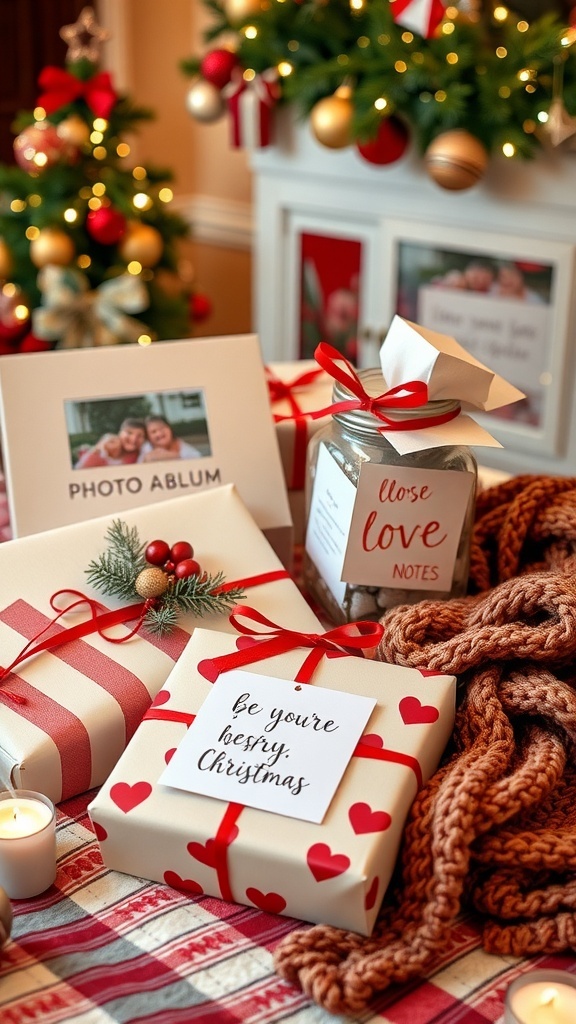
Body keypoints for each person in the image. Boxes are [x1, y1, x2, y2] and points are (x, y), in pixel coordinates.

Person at [75, 418, 146, 468]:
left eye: (140, 436)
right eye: (129, 433)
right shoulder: (101, 451)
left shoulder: (139, 453)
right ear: (119, 433)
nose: (134, 439)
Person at [138, 415, 202, 462]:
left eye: (162, 428)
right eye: (153, 432)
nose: (159, 433)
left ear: (170, 429)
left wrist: (174, 456)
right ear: (148, 437)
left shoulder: (190, 453)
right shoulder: (145, 449)